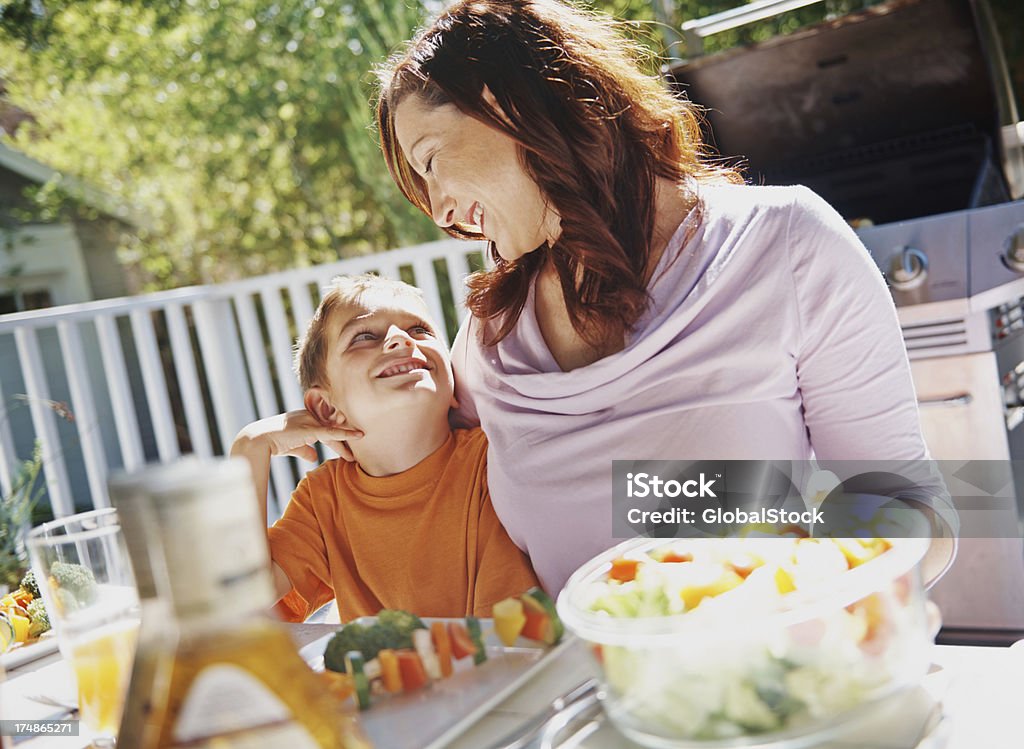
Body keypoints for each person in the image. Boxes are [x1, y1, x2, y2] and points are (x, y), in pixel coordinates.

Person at [374, 0, 953, 595]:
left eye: (432, 162)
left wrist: (801, 593)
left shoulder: (786, 243)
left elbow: (904, 501)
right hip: (591, 688)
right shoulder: (489, 339)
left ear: (502, 103)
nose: (440, 208)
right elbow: (418, 491)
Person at [230, 274, 539, 621]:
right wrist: (250, 447)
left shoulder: (496, 453)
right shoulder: (323, 501)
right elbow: (243, 597)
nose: (399, 339)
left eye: (420, 330)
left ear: (454, 384)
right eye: (364, 336)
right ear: (327, 409)